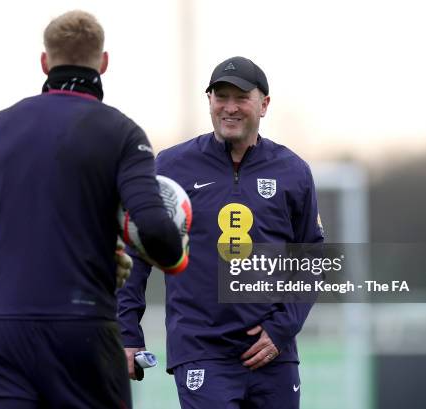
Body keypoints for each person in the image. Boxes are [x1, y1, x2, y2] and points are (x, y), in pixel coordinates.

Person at [0, 10, 186, 409]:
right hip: (83, 333)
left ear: (45, 62)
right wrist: (174, 254)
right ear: (103, 62)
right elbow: (155, 229)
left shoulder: (3, 125)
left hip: (5, 332)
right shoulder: (122, 132)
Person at [117, 56, 324, 409]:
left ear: (264, 104)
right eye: (220, 96)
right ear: (209, 101)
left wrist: (281, 329)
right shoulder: (169, 167)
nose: (229, 107)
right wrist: (126, 333)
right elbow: (136, 251)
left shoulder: (293, 172)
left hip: (273, 353)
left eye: (241, 97)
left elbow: (311, 259)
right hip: (201, 351)